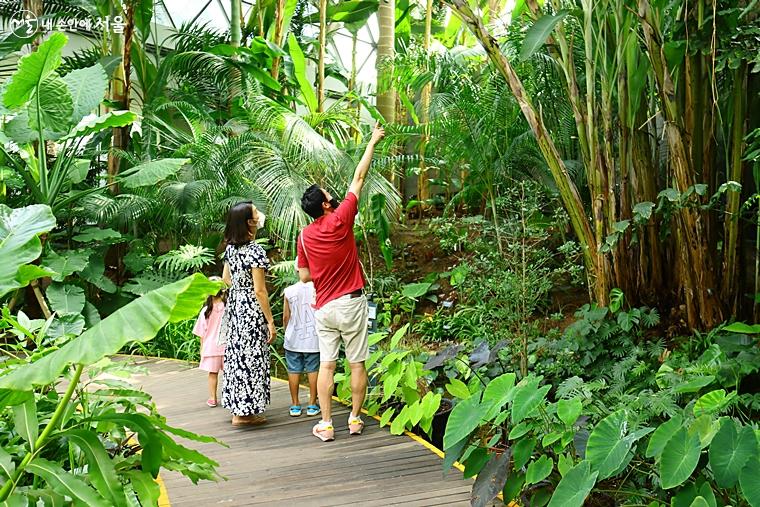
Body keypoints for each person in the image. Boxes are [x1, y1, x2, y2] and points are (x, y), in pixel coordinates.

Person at [297, 124, 385, 442]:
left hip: (323, 309)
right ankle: (354, 419)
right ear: (324, 204)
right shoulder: (341, 217)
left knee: (327, 366)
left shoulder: (304, 236)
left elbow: (304, 276)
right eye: (326, 194)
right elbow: (359, 178)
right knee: (357, 362)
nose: (331, 194)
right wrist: (372, 141)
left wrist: (323, 271)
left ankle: (325, 423)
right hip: (350, 302)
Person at [220, 201, 276, 427]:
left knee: (237, 357)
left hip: (235, 307)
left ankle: (239, 411)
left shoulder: (230, 249)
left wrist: (236, 296)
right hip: (251, 308)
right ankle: (245, 414)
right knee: (252, 357)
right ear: (249, 222)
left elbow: (225, 280)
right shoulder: (255, 251)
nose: (259, 215)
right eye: (255, 213)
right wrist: (270, 321)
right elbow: (260, 290)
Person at [282, 263, 320, 418]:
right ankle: (312, 404)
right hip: (314, 339)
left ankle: (295, 405)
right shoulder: (319, 289)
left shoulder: (289, 291)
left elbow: (286, 316)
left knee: (293, 370)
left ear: (297, 270)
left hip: (293, 337)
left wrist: (287, 331)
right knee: (313, 370)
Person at [192, 277, 226, 408]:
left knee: (213, 374)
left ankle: (212, 398)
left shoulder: (205, 311)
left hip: (211, 347)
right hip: (227, 346)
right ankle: (230, 396)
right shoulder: (227, 308)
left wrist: (202, 349)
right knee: (229, 374)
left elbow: (202, 333)